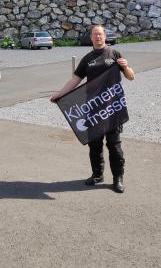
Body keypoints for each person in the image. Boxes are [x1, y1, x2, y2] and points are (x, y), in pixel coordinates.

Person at [50, 25, 135, 193]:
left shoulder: (114, 54)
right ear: (91, 37)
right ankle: (97, 175)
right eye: (95, 34)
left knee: (114, 145)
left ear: (105, 36)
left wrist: (125, 67)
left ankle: (118, 178)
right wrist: (60, 94)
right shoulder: (87, 58)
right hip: (94, 109)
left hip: (112, 108)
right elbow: (75, 80)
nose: (97, 37)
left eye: (100, 34)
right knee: (95, 145)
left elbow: (131, 77)